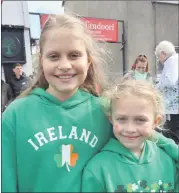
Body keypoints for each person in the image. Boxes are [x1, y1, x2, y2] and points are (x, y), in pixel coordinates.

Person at [2, 14, 178, 192]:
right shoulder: (16, 114)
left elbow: (152, 140)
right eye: (54, 56)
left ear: (88, 61)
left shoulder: (106, 110)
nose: (64, 65)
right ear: (41, 61)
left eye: (74, 55)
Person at [82, 80, 178, 192]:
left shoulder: (168, 162)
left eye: (140, 120)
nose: (130, 129)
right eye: (122, 119)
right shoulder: (98, 168)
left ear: (155, 122)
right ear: (111, 119)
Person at [155, 41, 179, 143]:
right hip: (174, 106)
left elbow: (170, 81)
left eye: (158, 56)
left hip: (173, 106)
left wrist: (157, 87)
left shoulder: (172, 61)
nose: (159, 60)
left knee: (172, 133)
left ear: (163, 53)